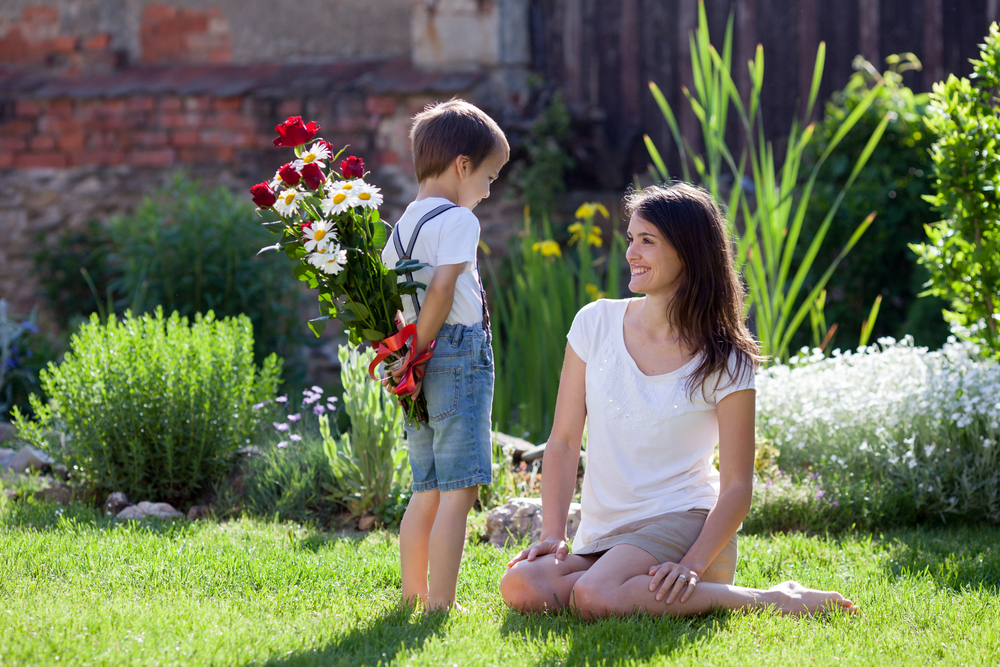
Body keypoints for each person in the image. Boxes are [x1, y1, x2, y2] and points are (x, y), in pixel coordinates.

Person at [500, 183, 857, 618]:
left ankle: (773, 598)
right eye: (631, 238)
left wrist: (692, 564)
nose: (632, 252)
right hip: (609, 535)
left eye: (647, 241)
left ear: (688, 252)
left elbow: (738, 487)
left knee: (594, 596)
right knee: (522, 584)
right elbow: (563, 440)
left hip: (687, 526)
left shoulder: (726, 358)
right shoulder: (594, 323)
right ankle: (623, 586)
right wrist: (554, 533)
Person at [381, 99, 508, 612]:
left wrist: (407, 351)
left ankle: (412, 593)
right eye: (489, 176)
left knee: (427, 487)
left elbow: (401, 300)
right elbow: (441, 289)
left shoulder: (402, 227)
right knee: (461, 490)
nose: (489, 189)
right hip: (454, 353)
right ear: (462, 165)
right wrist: (416, 345)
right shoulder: (458, 221)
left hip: (421, 363)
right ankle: (440, 604)